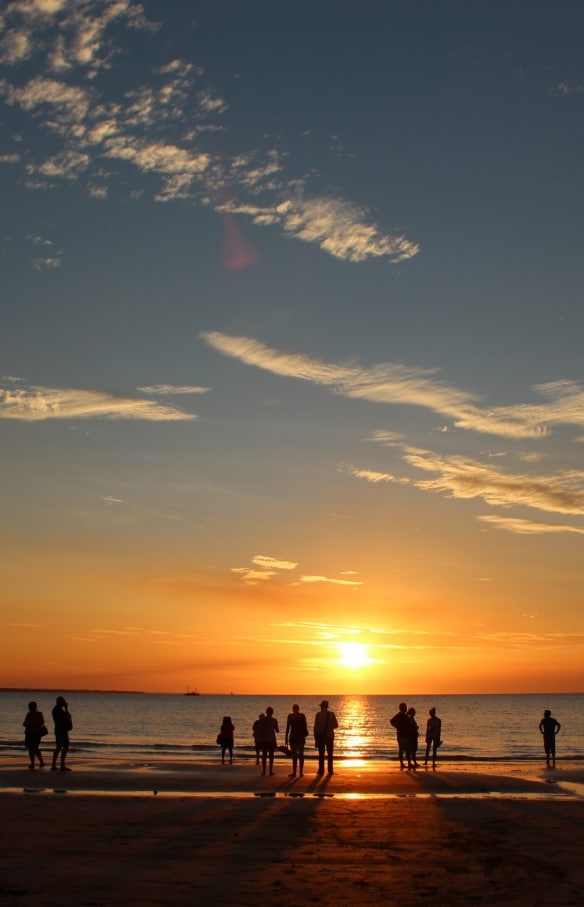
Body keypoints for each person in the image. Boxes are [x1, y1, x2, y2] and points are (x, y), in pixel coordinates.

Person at [313, 700, 338, 775]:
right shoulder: (332, 714)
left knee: (321, 754)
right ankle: (330, 770)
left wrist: (316, 737)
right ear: (327, 707)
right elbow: (336, 725)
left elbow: (315, 727)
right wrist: (329, 727)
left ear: (321, 707)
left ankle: (321, 770)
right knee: (330, 754)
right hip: (330, 736)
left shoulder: (318, 715)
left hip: (320, 736)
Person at [285, 704, 308, 777]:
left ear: (293, 709)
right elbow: (305, 726)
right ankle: (301, 772)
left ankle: (294, 772)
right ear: (298, 709)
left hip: (293, 737)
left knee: (294, 755)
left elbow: (288, 728)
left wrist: (286, 738)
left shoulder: (290, 716)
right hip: (300, 737)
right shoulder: (302, 716)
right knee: (301, 754)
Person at [51, 695, 72, 772]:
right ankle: (61, 765)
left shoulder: (57, 709)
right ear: (60, 702)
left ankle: (54, 764)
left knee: (59, 747)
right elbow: (66, 717)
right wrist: (66, 709)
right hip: (61, 730)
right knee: (63, 747)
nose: (64, 703)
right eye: (63, 701)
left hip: (60, 730)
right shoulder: (58, 710)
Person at [23, 701, 46, 770]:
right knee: (34, 748)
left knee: (32, 748)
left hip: (33, 733)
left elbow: (25, 723)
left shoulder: (31, 714)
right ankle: (39, 762)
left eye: (30, 707)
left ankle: (35, 763)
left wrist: (31, 723)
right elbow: (24, 724)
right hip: (34, 733)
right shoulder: (36, 714)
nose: (29, 708)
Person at [390, 702, 413, 770]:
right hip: (401, 735)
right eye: (405, 707)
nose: (406, 708)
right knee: (402, 750)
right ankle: (402, 763)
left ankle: (409, 763)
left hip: (407, 735)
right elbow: (391, 721)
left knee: (408, 750)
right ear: (402, 708)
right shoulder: (399, 715)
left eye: (406, 707)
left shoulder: (406, 715)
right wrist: (397, 726)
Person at [258, 706, 279, 776]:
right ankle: (270, 771)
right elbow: (277, 730)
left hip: (264, 740)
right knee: (271, 756)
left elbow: (260, 730)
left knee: (264, 755)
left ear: (266, 712)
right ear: (272, 713)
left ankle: (264, 771)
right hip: (272, 739)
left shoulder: (263, 720)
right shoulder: (274, 720)